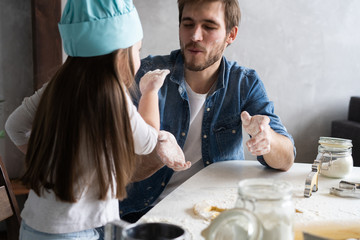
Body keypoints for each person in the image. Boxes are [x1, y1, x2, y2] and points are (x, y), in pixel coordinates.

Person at [5, 0, 189, 239]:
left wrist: (46, 158)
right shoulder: (114, 98)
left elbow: (13, 126)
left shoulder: (56, 86)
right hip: (75, 232)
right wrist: (150, 92)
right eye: (137, 50)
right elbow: (148, 142)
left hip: (32, 226)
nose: (139, 57)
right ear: (121, 54)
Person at [119, 0, 296, 223]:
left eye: (209, 27)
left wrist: (266, 138)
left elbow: (287, 158)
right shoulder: (146, 75)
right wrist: (157, 152)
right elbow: (120, 171)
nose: (195, 36)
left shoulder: (244, 83)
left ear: (231, 35)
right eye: (188, 24)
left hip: (217, 214)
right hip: (144, 214)